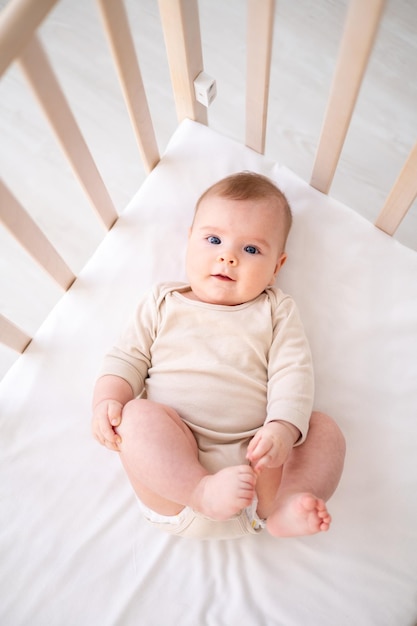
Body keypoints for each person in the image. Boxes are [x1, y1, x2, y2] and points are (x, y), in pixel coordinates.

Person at [92, 172, 345, 540]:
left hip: (260, 471)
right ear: (189, 241)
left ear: (277, 267)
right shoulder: (162, 301)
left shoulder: (276, 310)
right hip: (174, 483)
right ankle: (201, 490)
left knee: (324, 430)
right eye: (213, 239)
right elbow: (126, 358)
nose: (228, 256)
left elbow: (293, 372)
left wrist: (283, 430)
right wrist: (107, 401)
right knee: (136, 418)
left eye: (251, 250)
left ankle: (288, 505)